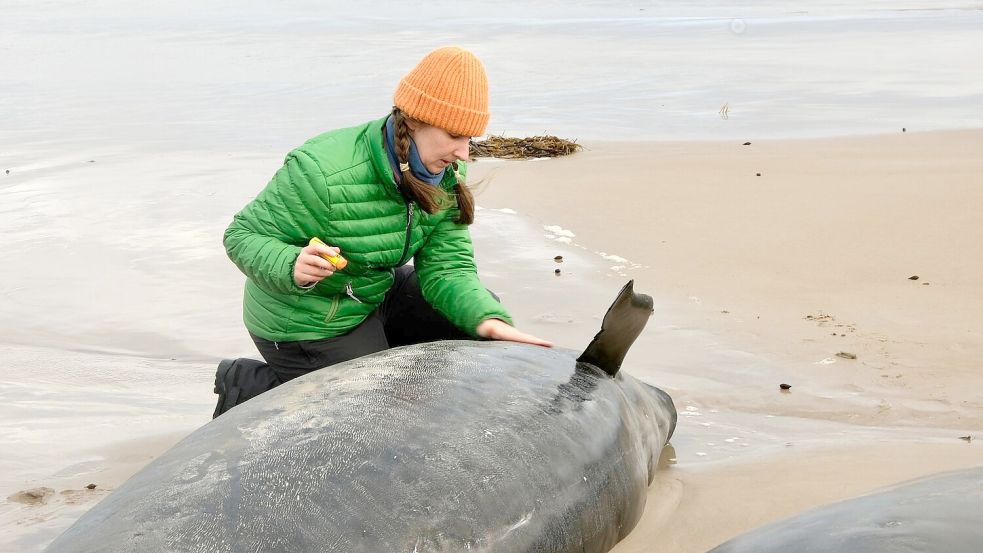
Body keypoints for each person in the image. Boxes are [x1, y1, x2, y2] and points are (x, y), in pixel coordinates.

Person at [213, 46, 552, 418]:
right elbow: (241, 235)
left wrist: (487, 320)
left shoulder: (446, 173)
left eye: (470, 138)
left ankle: (381, 364)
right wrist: (290, 263)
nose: (464, 152)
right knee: (376, 413)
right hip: (305, 320)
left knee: (470, 321)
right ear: (416, 120)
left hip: (371, 292)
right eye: (455, 135)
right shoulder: (324, 172)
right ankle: (252, 387)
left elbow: (448, 268)